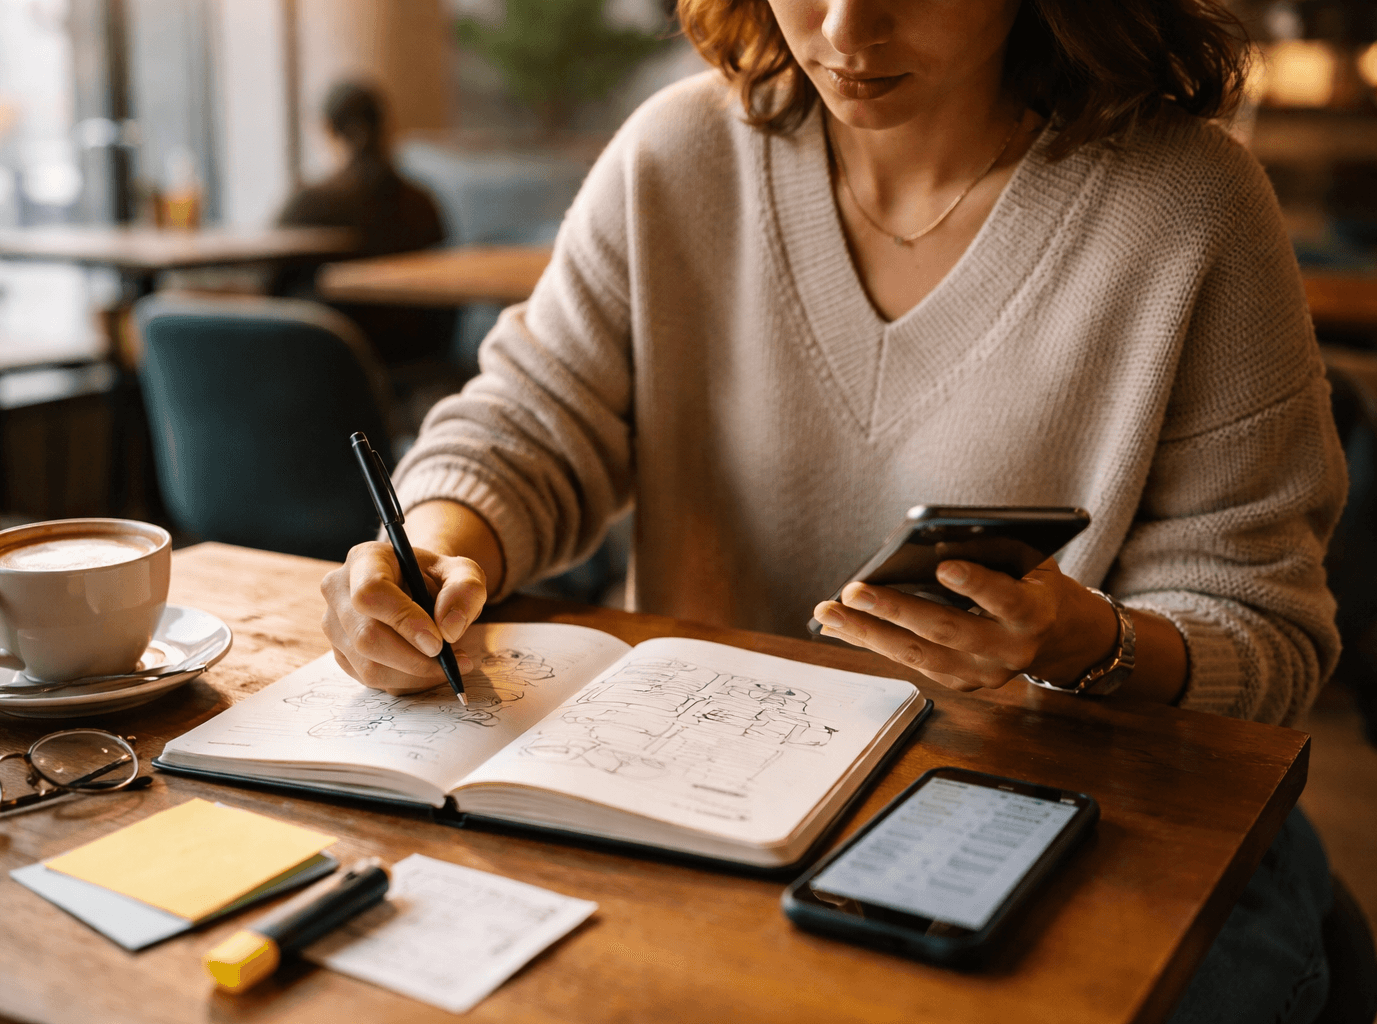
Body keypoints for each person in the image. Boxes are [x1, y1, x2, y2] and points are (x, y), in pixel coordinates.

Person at [320, 2, 1348, 1019]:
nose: (848, 33)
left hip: (1087, 848)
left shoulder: (1191, 205)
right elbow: (527, 422)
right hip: (713, 823)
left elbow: (1267, 638)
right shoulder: (679, 155)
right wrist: (432, 549)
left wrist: (1086, 644)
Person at [273, 81, 451, 365]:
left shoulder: (312, 203)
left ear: (328, 130)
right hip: (423, 352)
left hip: (336, 361)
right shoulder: (422, 200)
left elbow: (270, 281)